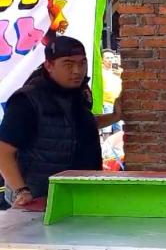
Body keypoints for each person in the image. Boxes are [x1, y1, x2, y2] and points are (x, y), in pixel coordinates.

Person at [0, 36, 122, 207]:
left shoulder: (79, 92)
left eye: (82, 63)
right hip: (39, 197)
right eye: (68, 64)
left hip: (80, 193)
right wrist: (21, 190)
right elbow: (3, 151)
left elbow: (77, 127)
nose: (77, 71)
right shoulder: (27, 100)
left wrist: (115, 117)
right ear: (49, 65)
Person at [101, 49, 123, 137]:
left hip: (118, 102)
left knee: (119, 128)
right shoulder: (100, 71)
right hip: (106, 102)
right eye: (107, 58)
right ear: (102, 60)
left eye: (112, 57)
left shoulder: (118, 70)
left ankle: (117, 149)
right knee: (107, 128)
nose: (110, 60)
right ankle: (106, 149)